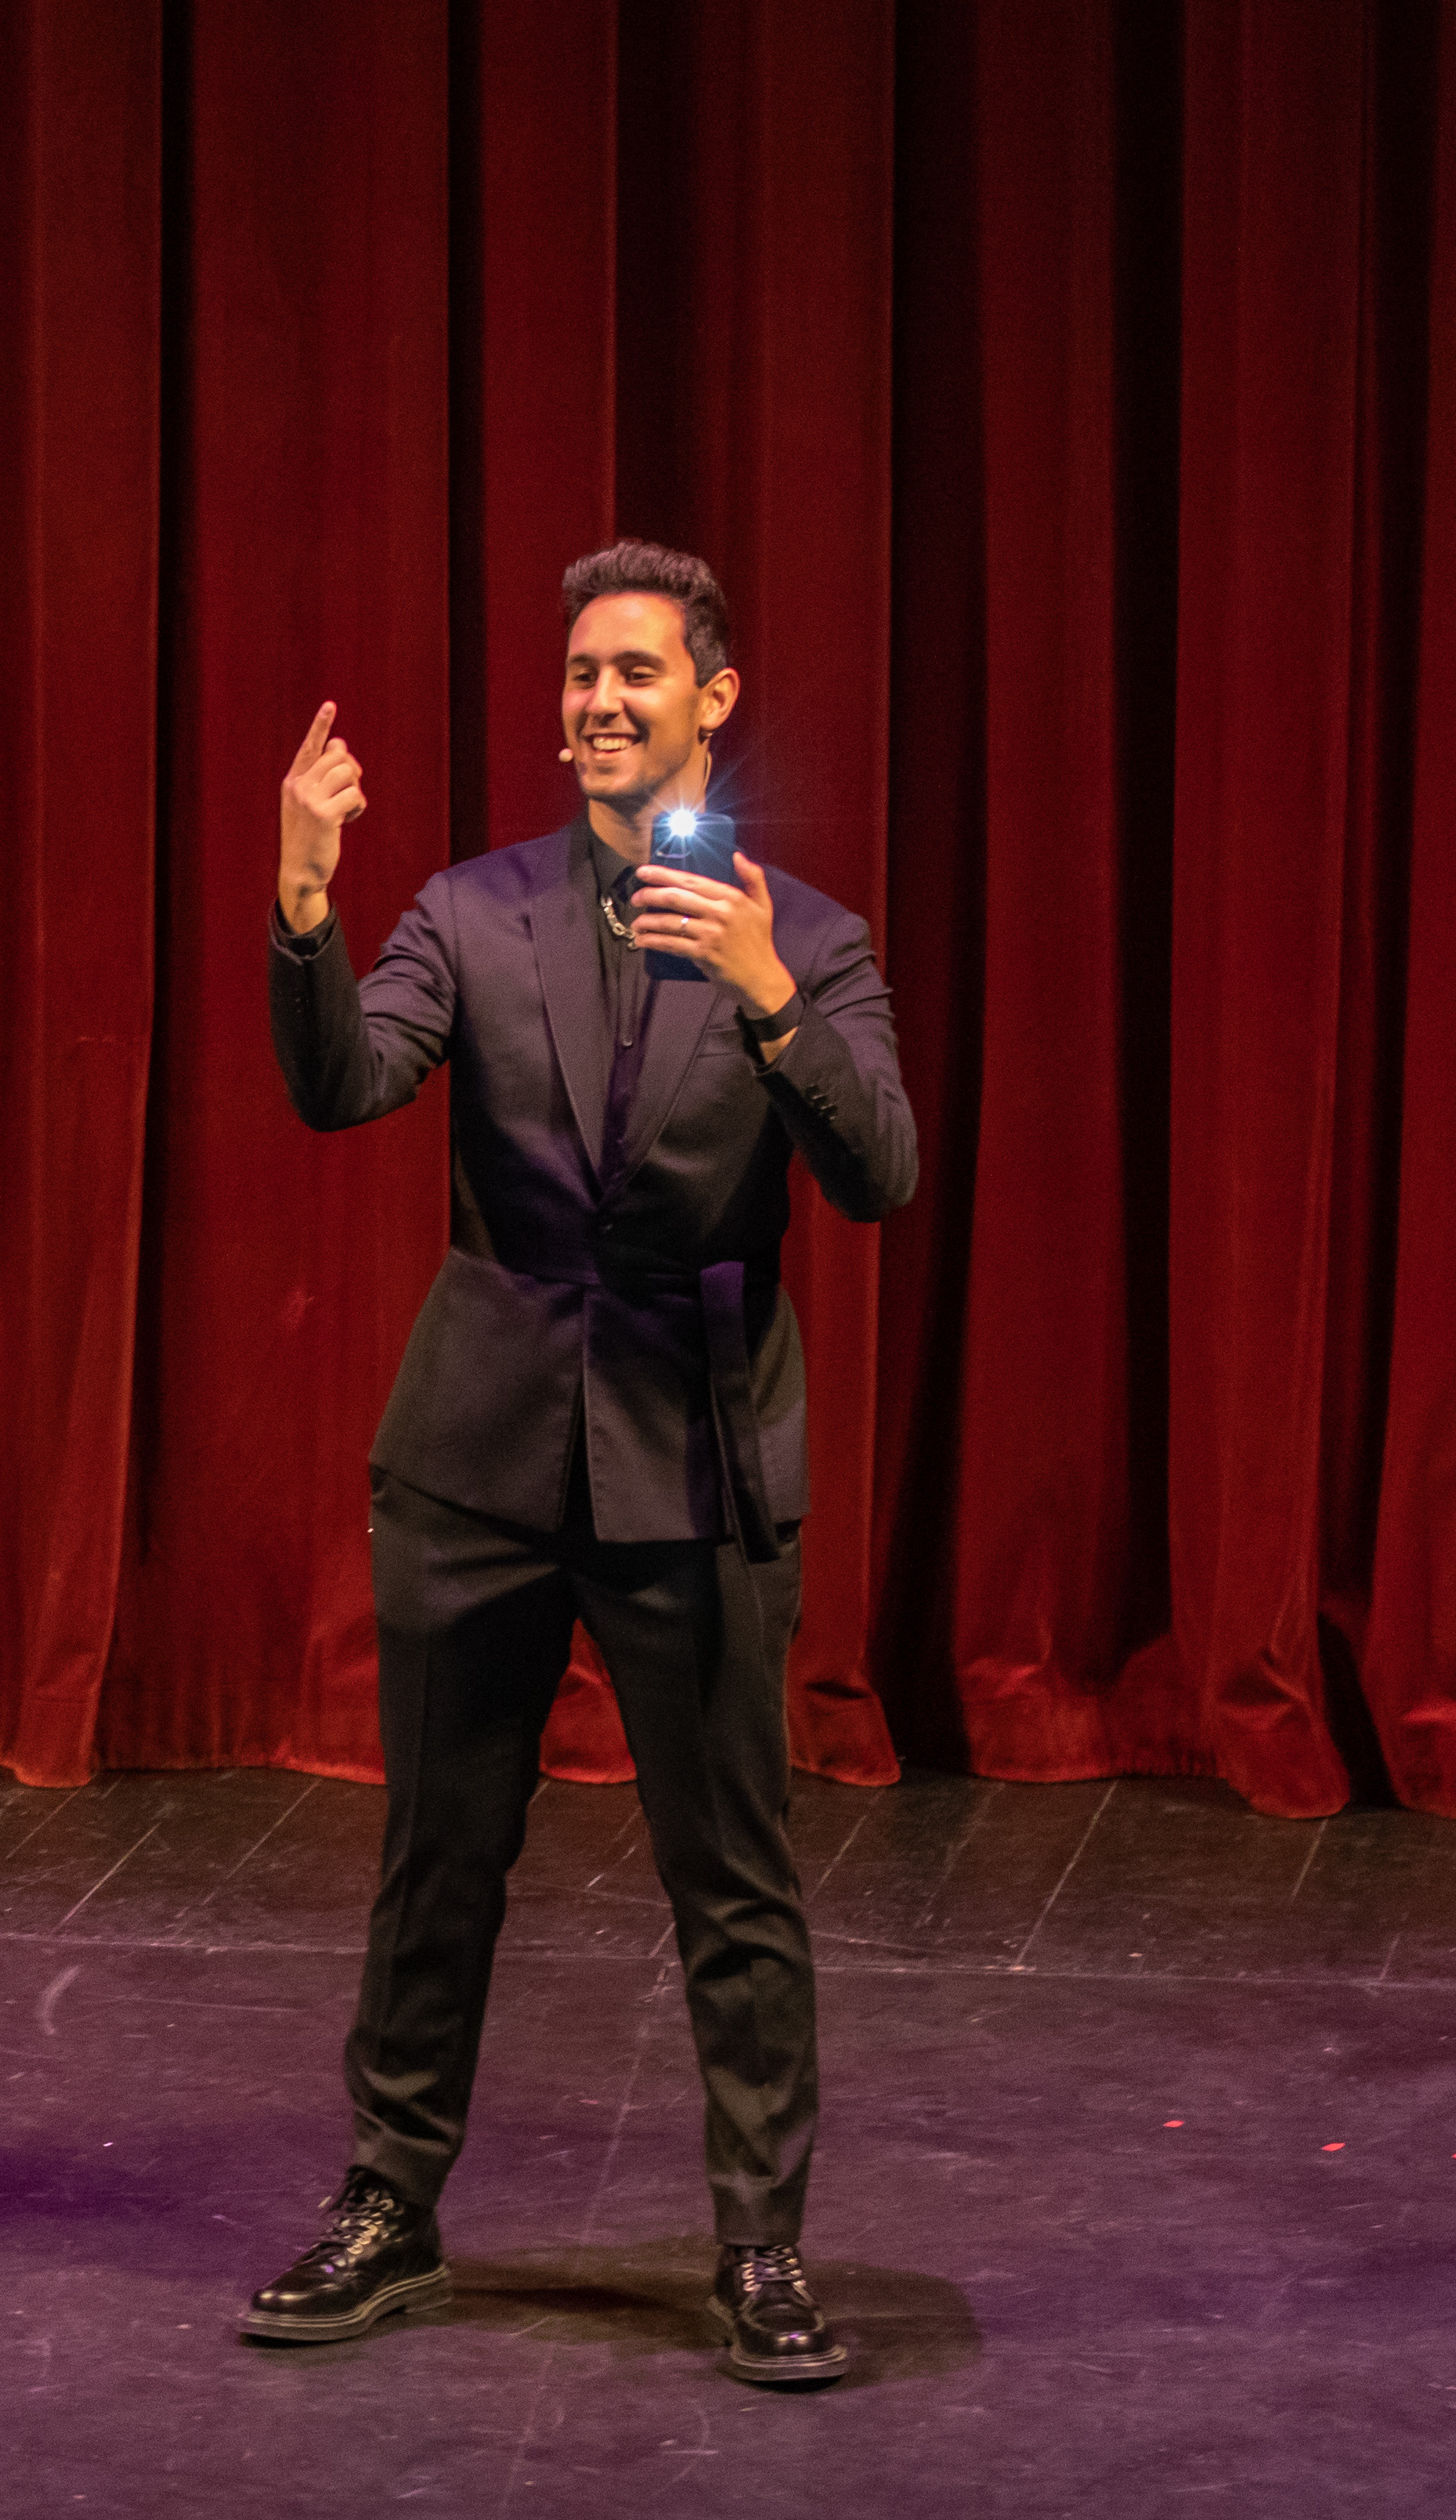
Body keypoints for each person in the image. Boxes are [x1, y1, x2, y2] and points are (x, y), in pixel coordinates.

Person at [244, 538, 914, 2382]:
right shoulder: (470, 910)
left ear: (713, 696)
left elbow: (880, 1172)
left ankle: (760, 2246)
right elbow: (342, 1083)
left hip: (690, 1453)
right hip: (477, 1451)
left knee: (733, 1873)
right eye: (575, 675)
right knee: (435, 1849)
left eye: (634, 671)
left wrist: (772, 994)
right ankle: (387, 2202)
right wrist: (305, 905)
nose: (596, 701)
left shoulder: (813, 934)